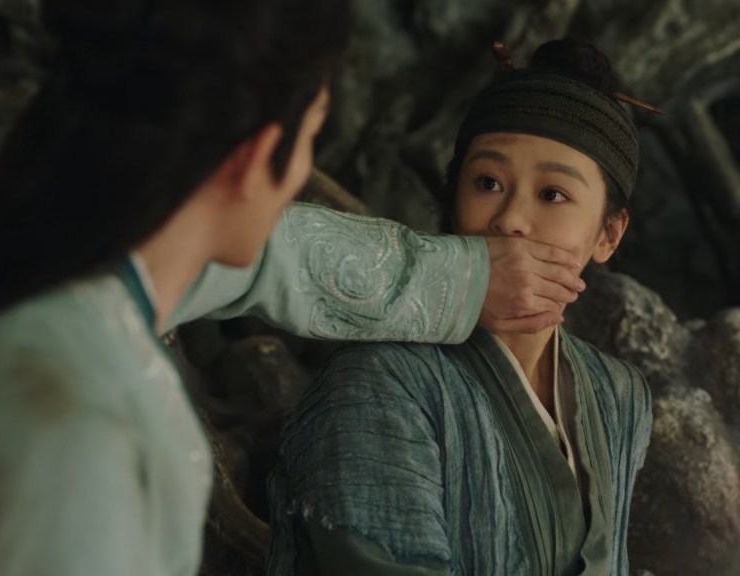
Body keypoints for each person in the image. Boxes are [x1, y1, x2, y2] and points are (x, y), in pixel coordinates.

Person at [0, 1, 586, 575]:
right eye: (311, 137)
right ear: (255, 159)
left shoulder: (70, 294)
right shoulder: (72, 424)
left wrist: (460, 279)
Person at [269, 38, 655, 576]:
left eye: (553, 194)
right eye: (487, 183)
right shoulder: (380, 382)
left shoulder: (620, 394)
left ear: (609, 234)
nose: (510, 219)